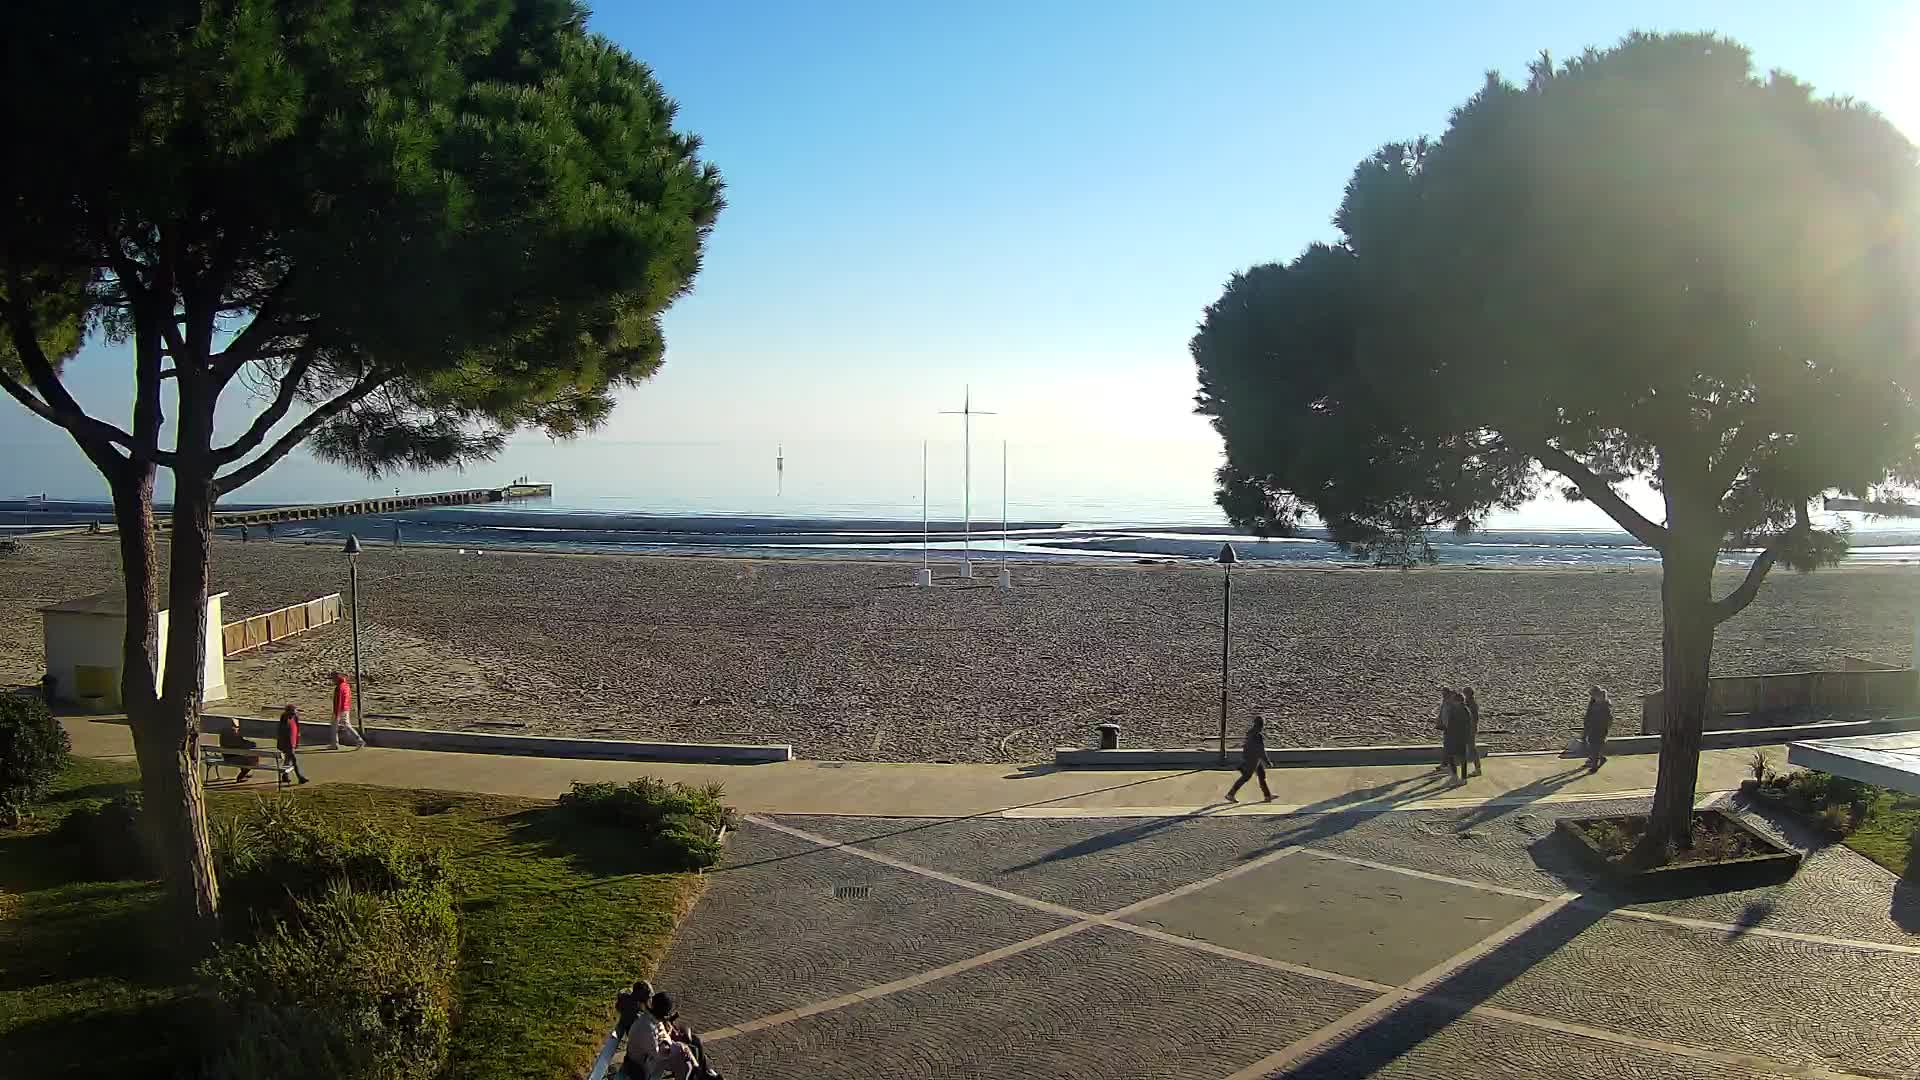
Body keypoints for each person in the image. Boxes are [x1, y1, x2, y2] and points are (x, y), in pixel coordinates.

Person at [1224, 715, 1275, 802]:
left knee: (1261, 775)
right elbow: (1261, 750)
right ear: (1261, 725)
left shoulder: (1250, 733)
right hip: (1254, 760)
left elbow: (1246, 746)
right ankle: (1230, 794)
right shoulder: (1258, 736)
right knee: (1246, 777)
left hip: (1250, 758)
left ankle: (1267, 795)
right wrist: (1268, 762)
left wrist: (1245, 757)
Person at [1440, 689, 1473, 784]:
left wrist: (1447, 731)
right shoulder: (1466, 710)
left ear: (1457, 701)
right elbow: (1468, 725)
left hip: (1454, 737)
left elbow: (1450, 725)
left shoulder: (1455, 710)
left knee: (1451, 756)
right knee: (1462, 759)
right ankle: (1463, 778)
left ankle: (1455, 776)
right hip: (1462, 738)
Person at [218, 716, 261, 782]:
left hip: (226, 756)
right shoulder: (233, 732)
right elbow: (240, 744)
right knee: (254, 760)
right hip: (233, 758)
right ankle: (240, 776)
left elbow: (239, 743)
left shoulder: (223, 732)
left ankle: (243, 772)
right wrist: (252, 744)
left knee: (244, 755)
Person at [276, 705, 310, 785]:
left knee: (288, 759)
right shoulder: (284, 721)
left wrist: (297, 741)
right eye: (291, 713)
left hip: (293, 742)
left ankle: (285, 775)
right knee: (294, 760)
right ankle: (300, 777)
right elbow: (283, 735)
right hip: (288, 744)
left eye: (294, 713)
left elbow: (296, 730)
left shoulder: (294, 718)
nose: (293, 715)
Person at [1583, 686, 1613, 772]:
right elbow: (1588, 714)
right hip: (1592, 727)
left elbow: (1609, 719)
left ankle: (1594, 766)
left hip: (1600, 729)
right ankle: (1600, 758)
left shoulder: (1604, 706)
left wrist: (1605, 727)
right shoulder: (1593, 702)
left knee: (1595, 745)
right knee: (1594, 745)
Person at [330, 672, 364, 747]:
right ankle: (359, 740)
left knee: (334, 726)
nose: (332, 680)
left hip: (340, 709)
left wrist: (336, 713)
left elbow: (338, 701)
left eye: (333, 679)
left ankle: (335, 743)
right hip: (346, 708)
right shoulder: (346, 686)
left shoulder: (339, 687)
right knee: (346, 725)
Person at [1461, 687, 1484, 778]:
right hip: (1468, 729)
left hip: (1469, 730)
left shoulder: (1471, 704)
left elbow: (1474, 719)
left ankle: (1477, 769)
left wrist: (1470, 729)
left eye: (1465, 693)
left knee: (1471, 749)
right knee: (1469, 748)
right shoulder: (1468, 703)